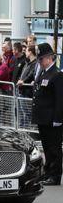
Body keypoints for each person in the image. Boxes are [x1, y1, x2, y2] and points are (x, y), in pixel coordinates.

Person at [32, 43, 63, 186]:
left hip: (52, 119)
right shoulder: (44, 73)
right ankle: (48, 172)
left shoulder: (57, 75)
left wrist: (58, 118)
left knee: (54, 148)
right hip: (43, 118)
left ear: (49, 58)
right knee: (46, 147)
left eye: (41, 59)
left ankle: (55, 175)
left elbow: (60, 99)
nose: (39, 62)